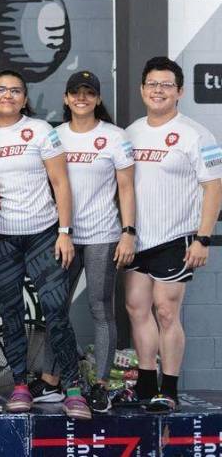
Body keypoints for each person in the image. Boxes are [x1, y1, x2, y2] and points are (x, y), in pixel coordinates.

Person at [0, 69, 90, 419]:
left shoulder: (41, 130)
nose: (8, 96)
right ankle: (20, 385)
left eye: (16, 91)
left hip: (44, 234)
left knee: (56, 312)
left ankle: (72, 388)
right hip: (3, 238)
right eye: (1, 90)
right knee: (11, 312)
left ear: (25, 99)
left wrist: (65, 231)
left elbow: (61, 183)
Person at [31, 71, 136, 414]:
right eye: (75, 92)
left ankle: (101, 387)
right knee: (56, 309)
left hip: (103, 236)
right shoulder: (55, 136)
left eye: (89, 93)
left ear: (97, 99)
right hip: (64, 237)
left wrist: (128, 231)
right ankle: (50, 381)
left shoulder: (115, 136)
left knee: (100, 309)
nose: (81, 98)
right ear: (66, 98)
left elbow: (126, 188)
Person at [125, 57, 222, 412]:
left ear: (179, 92)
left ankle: (169, 389)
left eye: (166, 85)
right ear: (142, 89)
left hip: (176, 238)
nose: (158, 90)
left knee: (166, 311)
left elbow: (214, 187)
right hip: (137, 239)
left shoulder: (198, 134)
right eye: (152, 84)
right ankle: (145, 385)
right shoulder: (131, 132)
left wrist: (203, 238)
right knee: (136, 308)